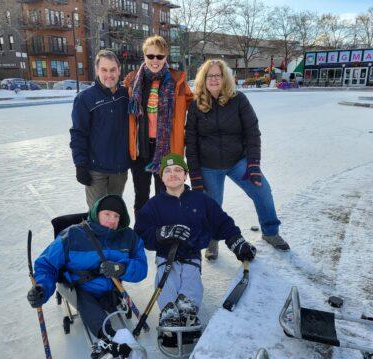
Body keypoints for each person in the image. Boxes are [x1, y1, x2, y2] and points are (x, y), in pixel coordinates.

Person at [134, 153, 256, 329]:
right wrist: (162, 233)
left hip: (191, 255)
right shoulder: (153, 205)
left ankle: (187, 310)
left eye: (177, 170)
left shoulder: (201, 200)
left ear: (185, 175)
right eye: (167, 171)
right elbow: (142, 233)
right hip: (165, 257)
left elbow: (222, 222)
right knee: (167, 280)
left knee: (191, 280)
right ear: (162, 177)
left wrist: (237, 242)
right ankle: (169, 312)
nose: (173, 174)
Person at [27, 195, 147, 359]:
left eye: (117, 216)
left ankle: (114, 339)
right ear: (96, 213)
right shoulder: (73, 234)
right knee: (86, 300)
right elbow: (46, 264)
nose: (112, 220)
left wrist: (121, 268)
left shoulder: (128, 237)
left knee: (109, 300)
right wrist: (42, 288)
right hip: (78, 288)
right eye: (107, 214)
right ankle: (107, 340)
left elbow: (141, 268)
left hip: (111, 286)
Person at [185, 59, 289, 260]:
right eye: (210, 75)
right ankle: (212, 240)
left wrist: (253, 164)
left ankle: (270, 232)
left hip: (238, 162)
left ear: (225, 78)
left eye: (218, 75)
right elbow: (191, 143)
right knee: (212, 205)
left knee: (262, 190)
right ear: (203, 79)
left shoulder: (238, 100)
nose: (214, 79)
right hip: (209, 166)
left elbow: (252, 133)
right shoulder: (196, 106)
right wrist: (195, 176)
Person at [124, 35, 193, 216]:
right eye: (151, 56)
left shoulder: (177, 82)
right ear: (144, 56)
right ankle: (142, 232)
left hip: (167, 149)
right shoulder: (132, 82)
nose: (155, 60)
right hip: (140, 149)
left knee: (165, 195)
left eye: (160, 56)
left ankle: (164, 233)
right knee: (141, 196)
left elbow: (195, 108)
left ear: (166, 57)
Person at [70, 50, 130, 209]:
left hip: (119, 170)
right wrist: (80, 165)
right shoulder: (85, 99)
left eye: (112, 70)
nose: (109, 74)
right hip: (96, 171)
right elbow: (78, 134)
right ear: (97, 70)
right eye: (104, 70)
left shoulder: (126, 95)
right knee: (98, 215)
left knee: (114, 213)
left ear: (119, 70)